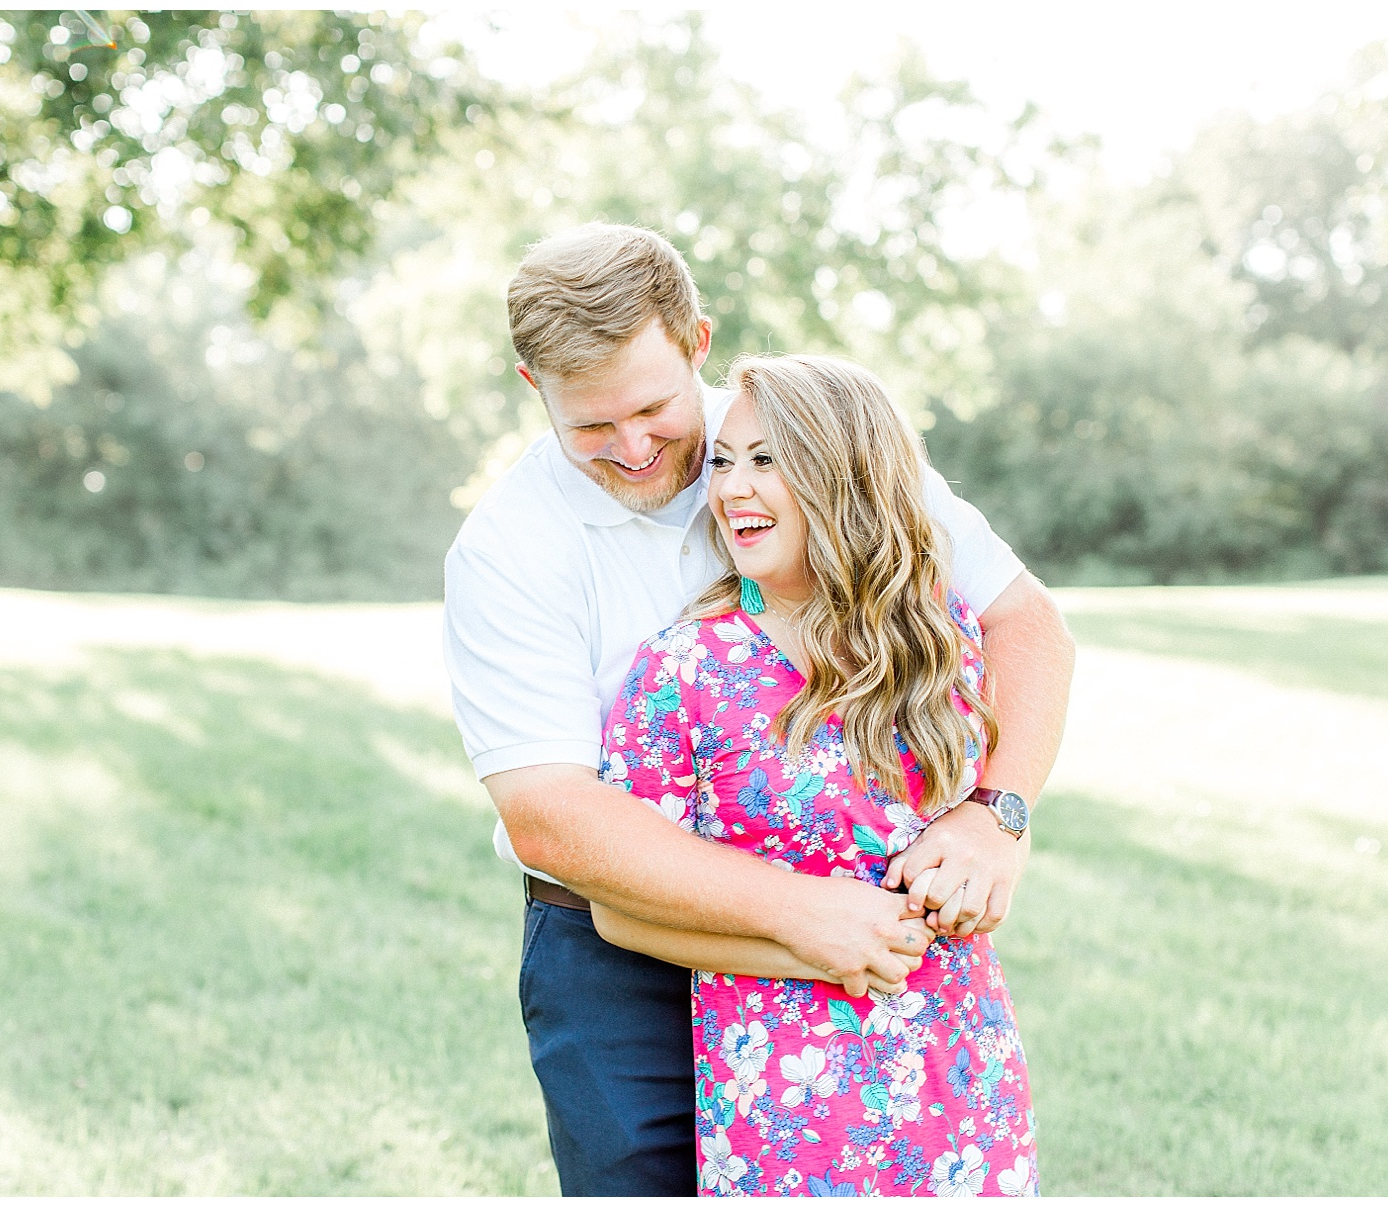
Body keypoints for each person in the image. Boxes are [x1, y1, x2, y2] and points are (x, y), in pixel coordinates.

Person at [443, 223, 1075, 1196]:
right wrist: (802, 917)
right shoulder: (510, 548)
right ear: (536, 389)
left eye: (653, 407)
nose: (635, 445)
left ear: (697, 343)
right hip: (622, 943)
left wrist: (998, 815)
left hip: (878, 923)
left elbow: (1023, 622)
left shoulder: (814, 450)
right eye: (593, 427)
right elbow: (549, 813)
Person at [591, 354, 1038, 1196]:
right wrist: (809, 945)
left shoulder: (938, 628)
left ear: (845, 472)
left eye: (767, 459)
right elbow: (619, 911)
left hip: (963, 1078)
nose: (731, 490)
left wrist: (995, 845)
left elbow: (981, 807)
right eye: (724, 463)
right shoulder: (684, 669)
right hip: (790, 1105)